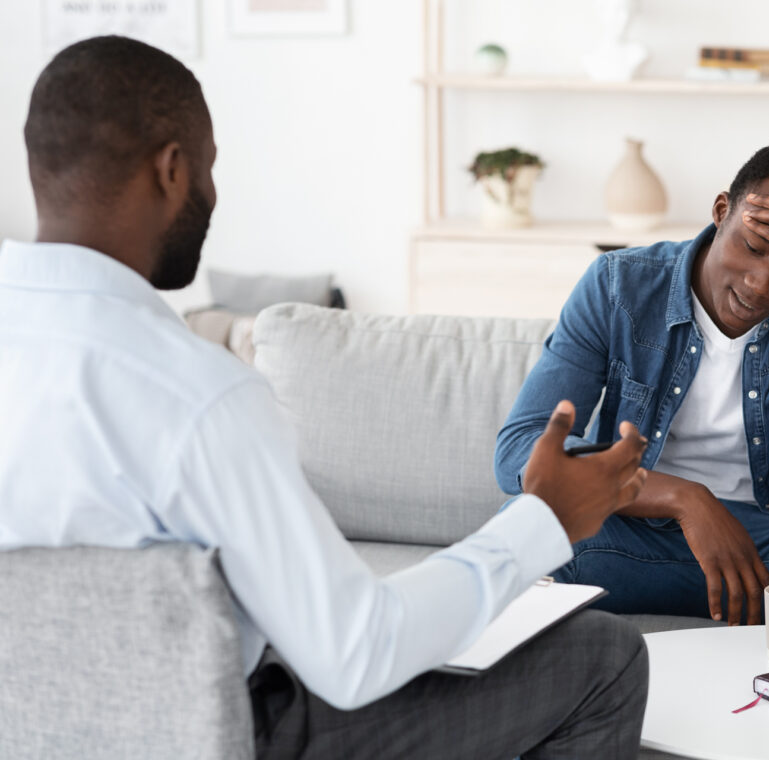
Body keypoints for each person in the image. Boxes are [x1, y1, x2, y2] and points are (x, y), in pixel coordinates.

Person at [0, 36, 652, 759]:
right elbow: (355, 653)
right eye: (210, 168)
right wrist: (544, 519)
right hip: (222, 738)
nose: (213, 196)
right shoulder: (197, 398)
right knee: (603, 658)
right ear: (173, 170)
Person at [496, 142, 769, 631]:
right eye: (751, 247)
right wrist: (685, 500)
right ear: (722, 210)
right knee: (524, 523)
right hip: (637, 537)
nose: (760, 284)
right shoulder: (618, 286)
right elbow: (521, 453)